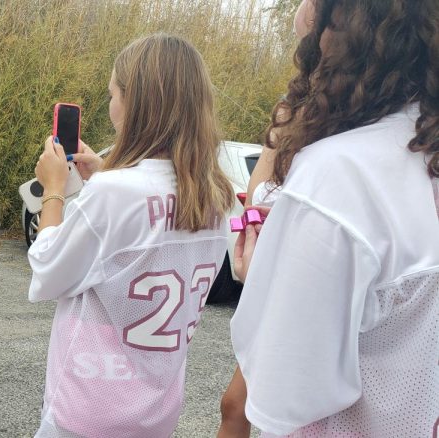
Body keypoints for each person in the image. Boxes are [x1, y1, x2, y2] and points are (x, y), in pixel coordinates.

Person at [230, 0, 439, 436]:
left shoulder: (340, 176)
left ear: (346, 31)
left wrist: (267, 276)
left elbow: (281, 395)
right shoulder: (420, 154)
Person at [28, 34, 234, 437]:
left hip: (86, 412)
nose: (110, 106)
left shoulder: (115, 192)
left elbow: (47, 273)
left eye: (112, 94)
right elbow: (153, 230)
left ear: (134, 104)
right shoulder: (217, 199)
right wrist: (106, 173)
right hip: (156, 414)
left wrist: (54, 188)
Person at [216, 2, 315, 437]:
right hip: (272, 290)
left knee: (267, 413)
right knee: (234, 407)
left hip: (312, 291)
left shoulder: (354, 133)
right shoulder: (293, 108)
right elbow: (253, 200)